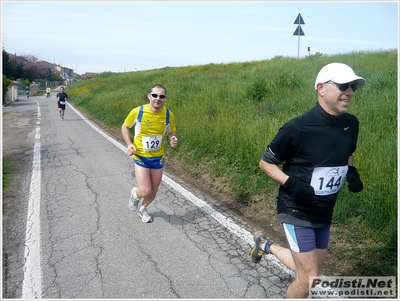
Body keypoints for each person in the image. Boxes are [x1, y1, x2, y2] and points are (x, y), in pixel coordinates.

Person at [251, 63, 365, 298]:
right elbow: (266, 163)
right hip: (296, 208)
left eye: (353, 86)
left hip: (324, 209)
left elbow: (347, 153)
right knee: (310, 278)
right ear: (321, 88)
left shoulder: (350, 124)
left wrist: (351, 171)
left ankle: (265, 246)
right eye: (344, 85)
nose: (350, 92)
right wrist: (293, 184)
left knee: (309, 270)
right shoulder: (297, 127)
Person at [121, 84, 178, 223]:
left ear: (165, 99)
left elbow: (171, 131)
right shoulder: (138, 112)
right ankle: (135, 195)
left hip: (158, 158)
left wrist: (172, 138)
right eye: (155, 95)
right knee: (145, 191)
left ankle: (143, 208)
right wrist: (129, 144)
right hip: (141, 156)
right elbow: (125, 127)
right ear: (149, 96)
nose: (158, 98)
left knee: (154, 189)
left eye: (161, 96)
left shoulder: (168, 114)